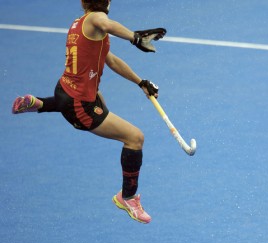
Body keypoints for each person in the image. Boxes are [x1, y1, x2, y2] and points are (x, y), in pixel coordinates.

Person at [11, 0, 167, 224]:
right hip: (79, 106)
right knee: (135, 138)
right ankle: (128, 197)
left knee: (100, 101)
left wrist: (140, 82)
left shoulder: (80, 23)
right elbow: (106, 23)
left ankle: (40, 103)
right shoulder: (96, 20)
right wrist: (135, 37)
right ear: (108, 2)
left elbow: (110, 60)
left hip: (64, 91)